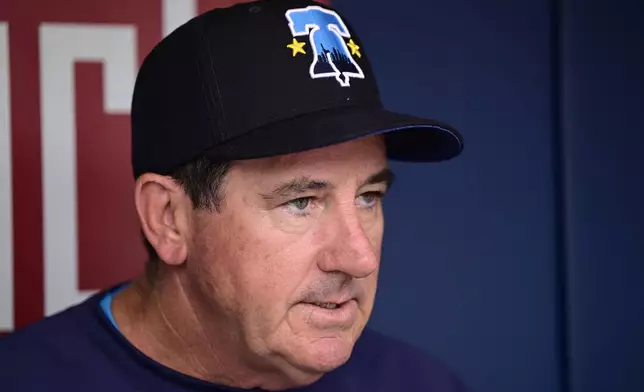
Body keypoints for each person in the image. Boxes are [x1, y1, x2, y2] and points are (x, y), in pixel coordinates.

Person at [0, 0, 467, 390]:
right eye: (300, 201)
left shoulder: (417, 382)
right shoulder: (25, 377)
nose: (359, 258)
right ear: (169, 218)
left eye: (368, 197)